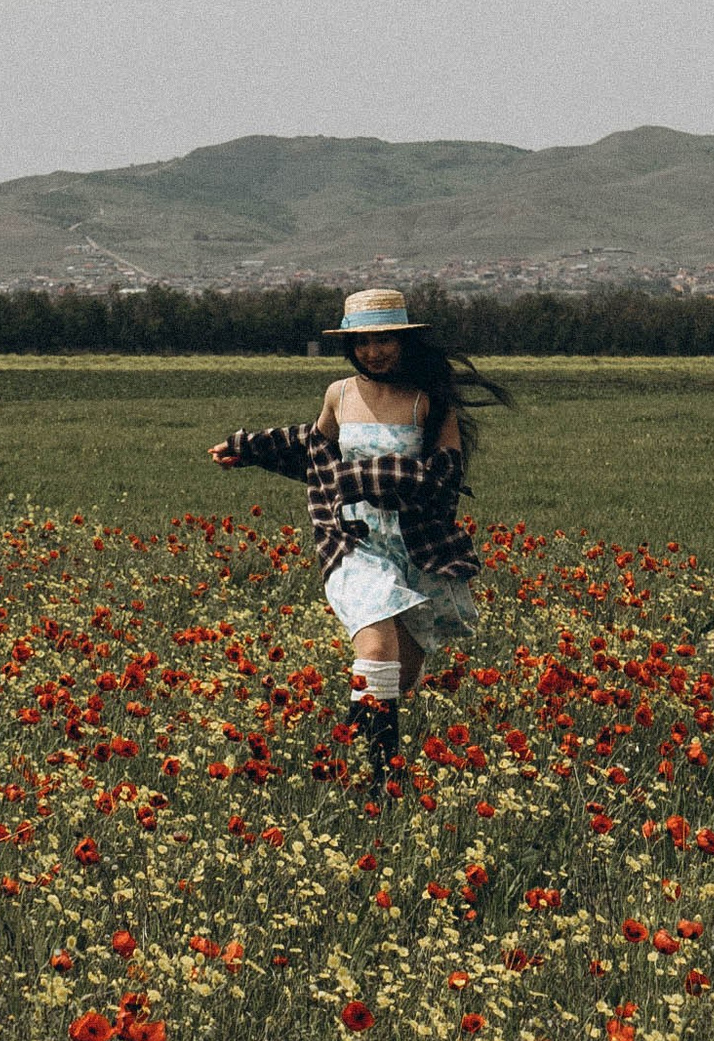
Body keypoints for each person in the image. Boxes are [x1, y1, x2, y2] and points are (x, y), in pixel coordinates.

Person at [209, 284, 505, 786]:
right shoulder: (339, 393)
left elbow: (443, 477)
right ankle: (375, 778)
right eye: (363, 342)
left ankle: (347, 761)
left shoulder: (427, 404)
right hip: (351, 540)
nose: (374, 351)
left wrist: (364, 477)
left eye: (384, 339)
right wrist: (247, 447)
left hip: (414, 545)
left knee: (400, 674)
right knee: (375, 647)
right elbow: (313, 446)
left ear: (404, 341)